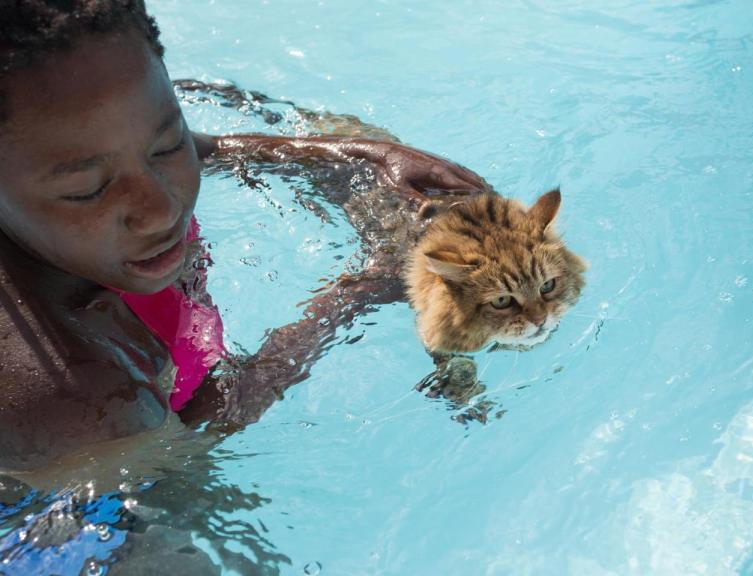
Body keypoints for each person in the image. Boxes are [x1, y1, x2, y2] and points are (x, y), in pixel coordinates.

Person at [0, 0, 491, 473]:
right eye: (89, 191)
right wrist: (354, 296)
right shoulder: (73, 397)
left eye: (166, 147)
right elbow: (186, 451)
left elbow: (205, 146)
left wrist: (360, 153)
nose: (160, 209)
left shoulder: (62, 160)